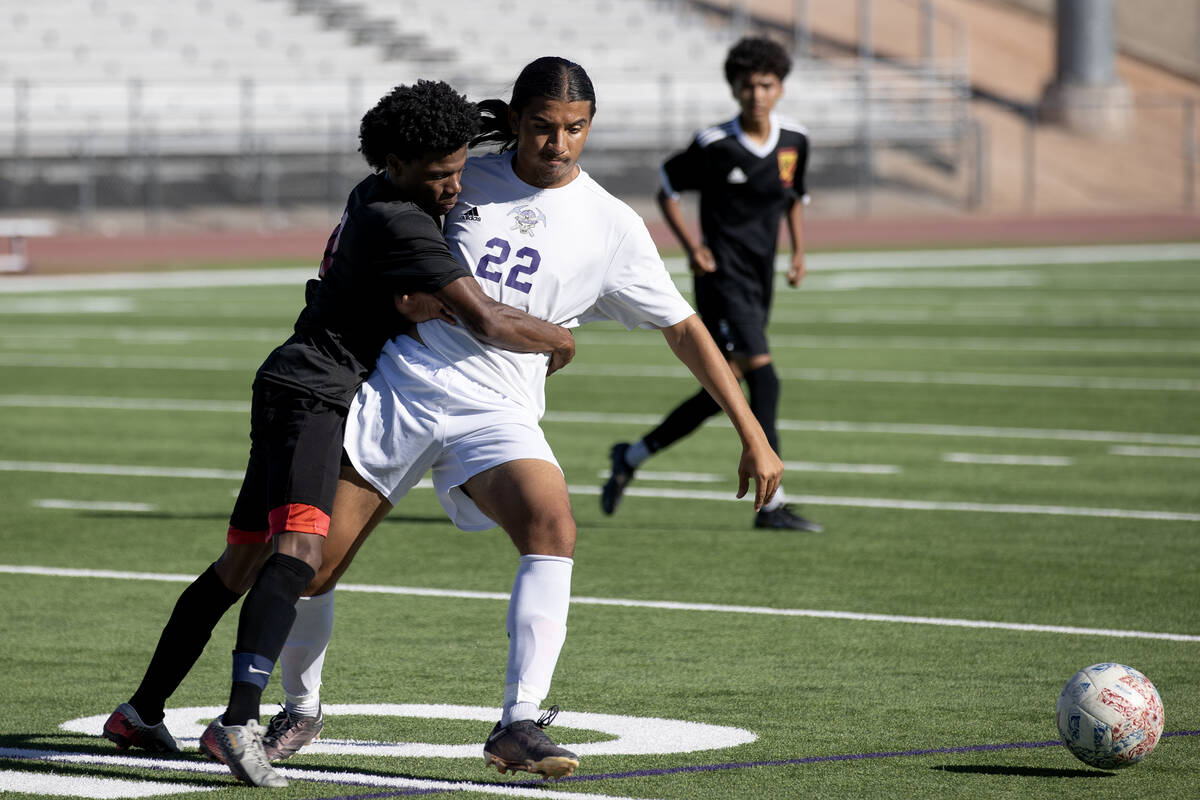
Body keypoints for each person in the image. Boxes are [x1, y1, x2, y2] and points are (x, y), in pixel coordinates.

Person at [224, 55, 785, 786]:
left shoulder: (612, 224)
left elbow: (683, 328)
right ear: (516, 119)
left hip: (499, 409)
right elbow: (368, 239)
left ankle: (519, 721)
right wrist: (401, 302)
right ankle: (300, 706)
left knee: (553, 524)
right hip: (405, 385)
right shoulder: (461, 176)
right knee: (313, 564)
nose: (559, 143)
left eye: (576, 128)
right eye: (545, 127)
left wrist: (753, 433)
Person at [100, 80, 575, 789]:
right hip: (316, 393)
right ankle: (237, 723)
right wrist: (558, 340)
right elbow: (488, 321)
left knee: (239, 565)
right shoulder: (402, 221)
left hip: (291, 381)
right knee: (296, 555)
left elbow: (436, 183)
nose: (453, 185)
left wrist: (487, 122)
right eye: (439, 174)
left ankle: (139, 713)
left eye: (457, 167)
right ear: (395, 163)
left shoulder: (378, 186)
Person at [600, 36, 822, 532]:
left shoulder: (795, 142)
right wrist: (692, 247)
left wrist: (799, 252)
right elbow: (667, 186)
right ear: (734, 89)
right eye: (746, 86)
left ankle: (632, 455)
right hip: (721, 280)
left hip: (759, 278)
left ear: (780, 88)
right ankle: (772, 503)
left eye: (765, 85)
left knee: (725, 388)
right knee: (763, 378)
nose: (756, 95)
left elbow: (794, 198)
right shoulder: (714, 145)